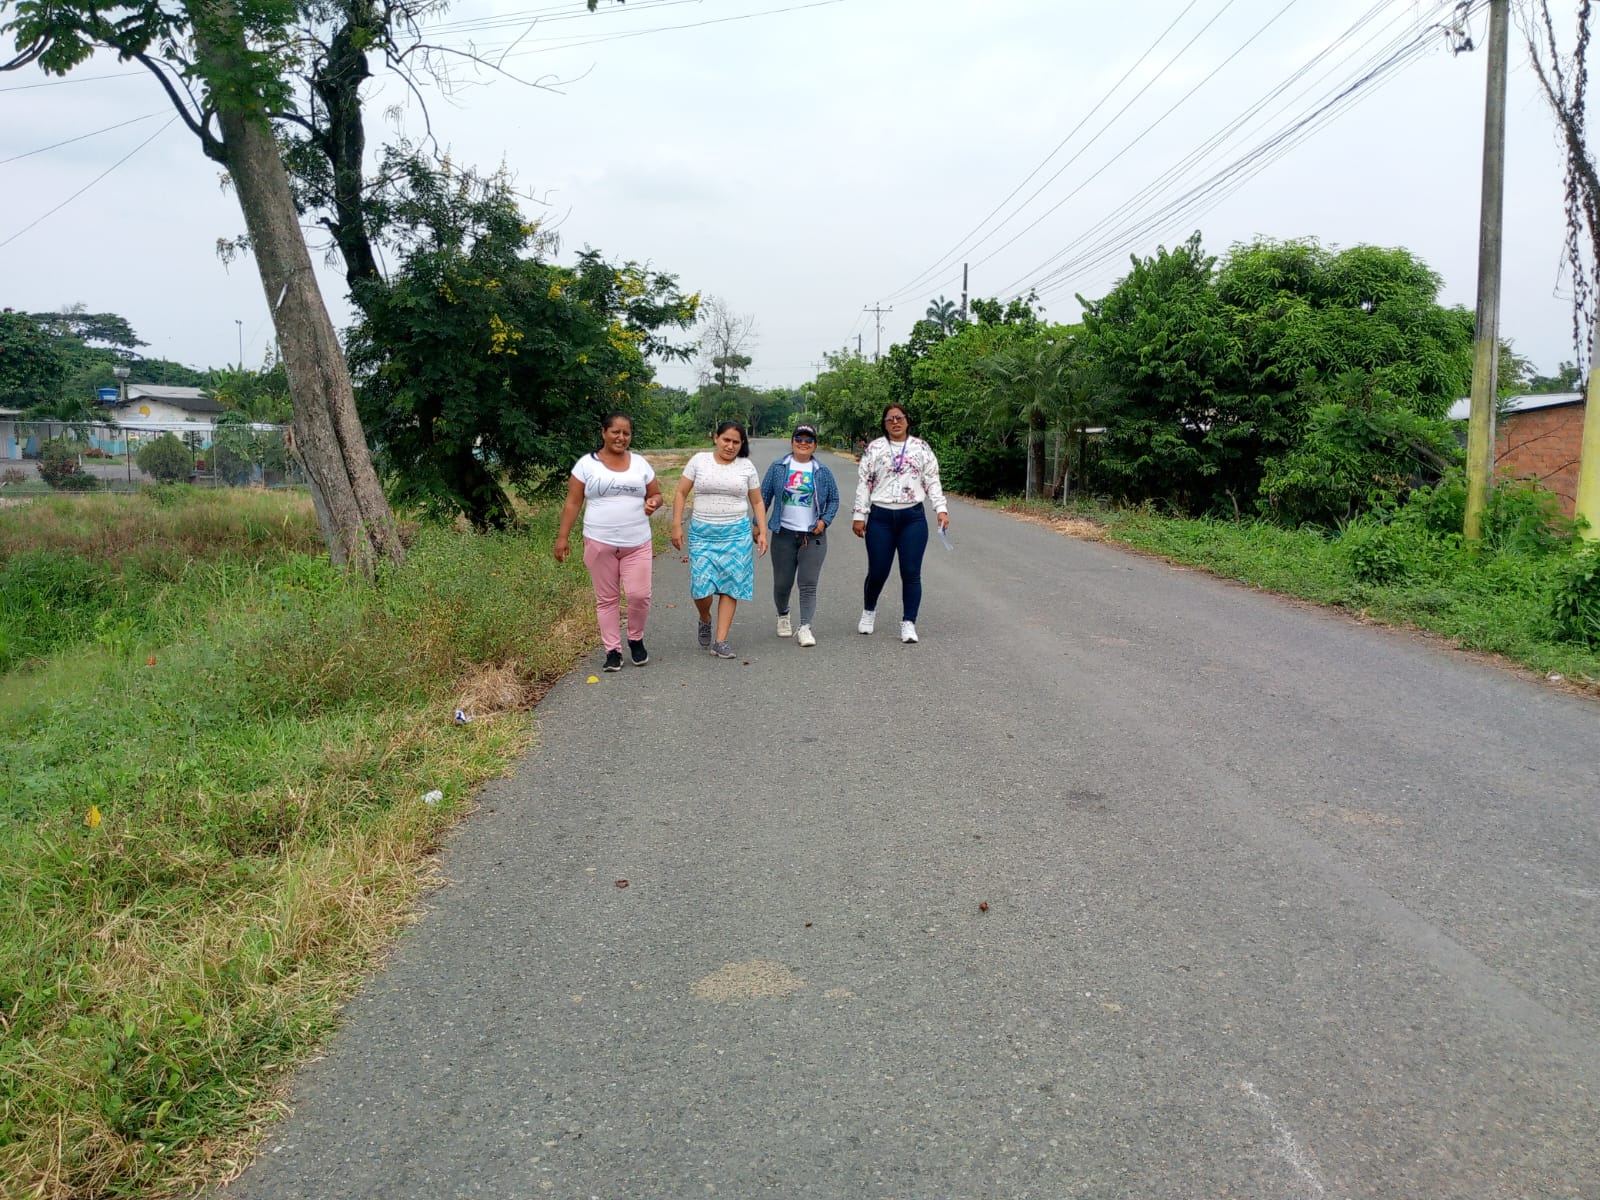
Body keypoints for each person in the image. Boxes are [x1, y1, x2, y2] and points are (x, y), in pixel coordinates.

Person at [554, 412, 662, 672]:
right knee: (607, 599)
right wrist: (562, 537)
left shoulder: (640, 464)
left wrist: (653, 503)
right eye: (615, 432)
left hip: (637, 542)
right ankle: (612, 650)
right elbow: (573, 502)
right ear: (603, 432)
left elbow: (657, 494)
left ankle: (635, 638)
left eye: (626, 433)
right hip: (599, 542)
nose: (621, 437)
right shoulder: (586, 465)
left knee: (639, 595)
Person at [851, 402, 949, 644]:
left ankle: (908, 622)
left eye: (899, 417)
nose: (895, 422)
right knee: (878, 571)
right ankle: (869, 611)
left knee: (911, 572)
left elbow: (932, 479)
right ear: (884, 424)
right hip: (881, 517)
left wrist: (941, 509)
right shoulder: (874, 448)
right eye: (890, 419)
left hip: (912, 517)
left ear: (907, 420)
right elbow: (864, 482)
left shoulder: (921, 447)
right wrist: (859, 515)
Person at [671, 422, 768, 658]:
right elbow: (681, 492)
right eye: (726, 440)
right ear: (716, 438)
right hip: (702, 534)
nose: (730, 446)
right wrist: (676, 524)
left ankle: (721, 641)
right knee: (701, 587)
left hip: (736, 535)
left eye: (736, 442)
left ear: (742, 444)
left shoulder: (746, 467)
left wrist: (763, 532)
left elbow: (757, 501)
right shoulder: (699, 461)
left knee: (730, 586)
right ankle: (705, 617)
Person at [760, 423, 840, 648]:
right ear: (792, 441)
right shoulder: (778, 467)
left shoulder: (822, 471)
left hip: (813, 535)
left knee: (808, 583)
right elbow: (763, 497)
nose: (803, 443)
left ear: (815, 445)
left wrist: (824, 521)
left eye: (809, 440)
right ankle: (783, 615)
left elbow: (834, 499)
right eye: (799, 439)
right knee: (782, 583)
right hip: (784, 533)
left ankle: (805, 627)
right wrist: (758, 525)